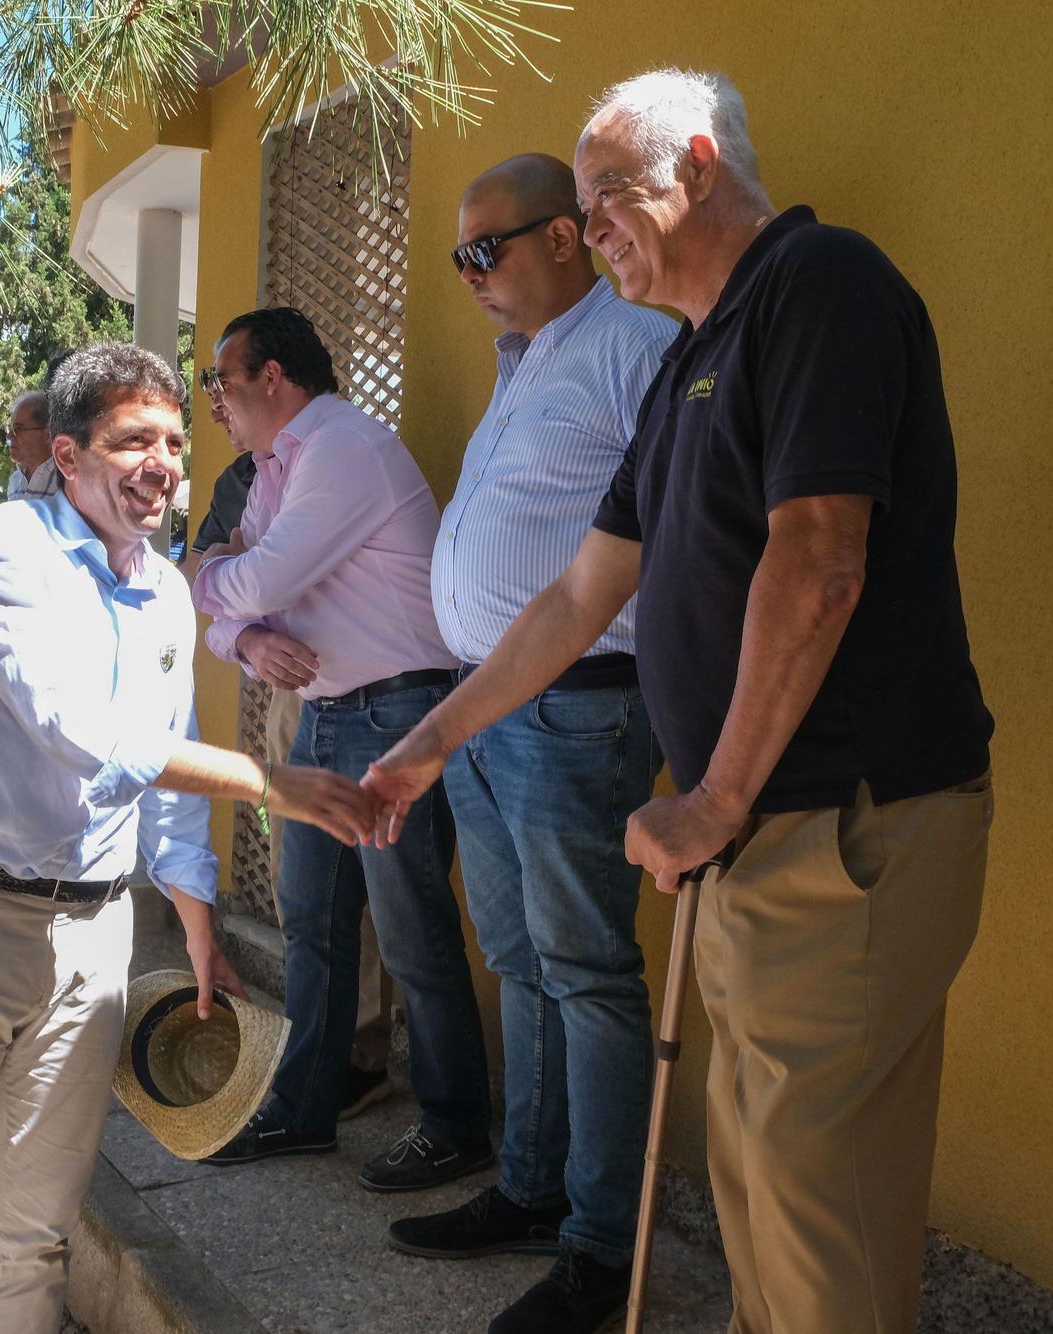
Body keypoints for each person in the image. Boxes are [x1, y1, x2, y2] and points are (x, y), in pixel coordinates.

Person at [368, 69, 995, 1334]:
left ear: (697, 166)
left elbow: (819, 556)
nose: (589, 229)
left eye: (606, 196)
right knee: (759, 1181)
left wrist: (709, 795)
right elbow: (573, 598)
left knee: (819, 1213)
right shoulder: (688, 362)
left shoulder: (819, 285)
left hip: (840, 820)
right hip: (762, 831)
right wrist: (424, 748)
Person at [0, 342, 378, 1333]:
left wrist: (198, 925)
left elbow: (165, 775)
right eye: (133, 439)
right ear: (70, 456)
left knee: (34, 1233)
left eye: (174, 440)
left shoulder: (167, 591)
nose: (162, 462)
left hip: (88, 939)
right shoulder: (5, 547)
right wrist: (268, 781)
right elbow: (82, 731)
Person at [373, 152, 677, 1314]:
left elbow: (682, 540)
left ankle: (603, 1247)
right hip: (495, 712)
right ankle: (532, 1184)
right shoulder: (524, 364)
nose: (467, 275)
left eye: (482, 248)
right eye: (457, 255)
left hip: (578, 705)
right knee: (521, 961)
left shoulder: (634, 350)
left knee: (589, 973)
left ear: (564, 237)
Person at [191, 307, 487, 1183]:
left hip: (398, 714)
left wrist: (209, 576)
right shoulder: (277, 468)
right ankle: (303, 1109)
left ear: (273, 379)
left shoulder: (342, 448)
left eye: (223, 382)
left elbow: (256, 577)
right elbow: (234, 611)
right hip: (327, 716)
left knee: (411, 932)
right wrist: (242, 638)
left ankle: (456, 1122)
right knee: (311, 927)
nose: (217, 403)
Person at [3, 390, 60, 501]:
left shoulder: (66, 480)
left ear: (46, 434)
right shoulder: (15, 480)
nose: (9, 436)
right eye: (10, 429)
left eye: (18, 429)